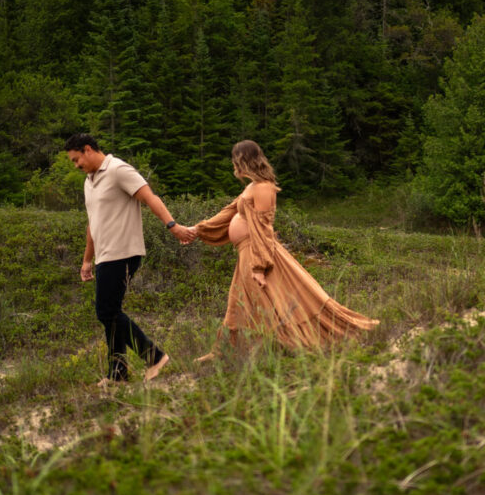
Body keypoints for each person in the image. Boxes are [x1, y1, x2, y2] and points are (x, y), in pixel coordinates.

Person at [187, 140, 378, 359]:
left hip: (257, 254)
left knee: (272, 302)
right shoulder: (251, 187)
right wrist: (198, 229)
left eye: (235, 160)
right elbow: (230, 211)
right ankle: (224, 351)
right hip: (246, 253)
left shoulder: (264, 188)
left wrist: (259, 266)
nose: (233, 165)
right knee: (238, 301)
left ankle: (274, 348)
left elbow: (263, 227)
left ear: (243, 160)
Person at [65, 133, 197, 386]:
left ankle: (155, 357)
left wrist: (173, 225)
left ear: (88, 149)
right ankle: (118, 374)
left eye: (76, 160)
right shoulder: (89, 181)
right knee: (110, 313)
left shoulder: (118, 170)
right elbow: (93, 223)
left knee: (107, 310)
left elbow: (150, 198)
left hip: (124, 251)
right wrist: (86, 259)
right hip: (105, 255)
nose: (76, 166)